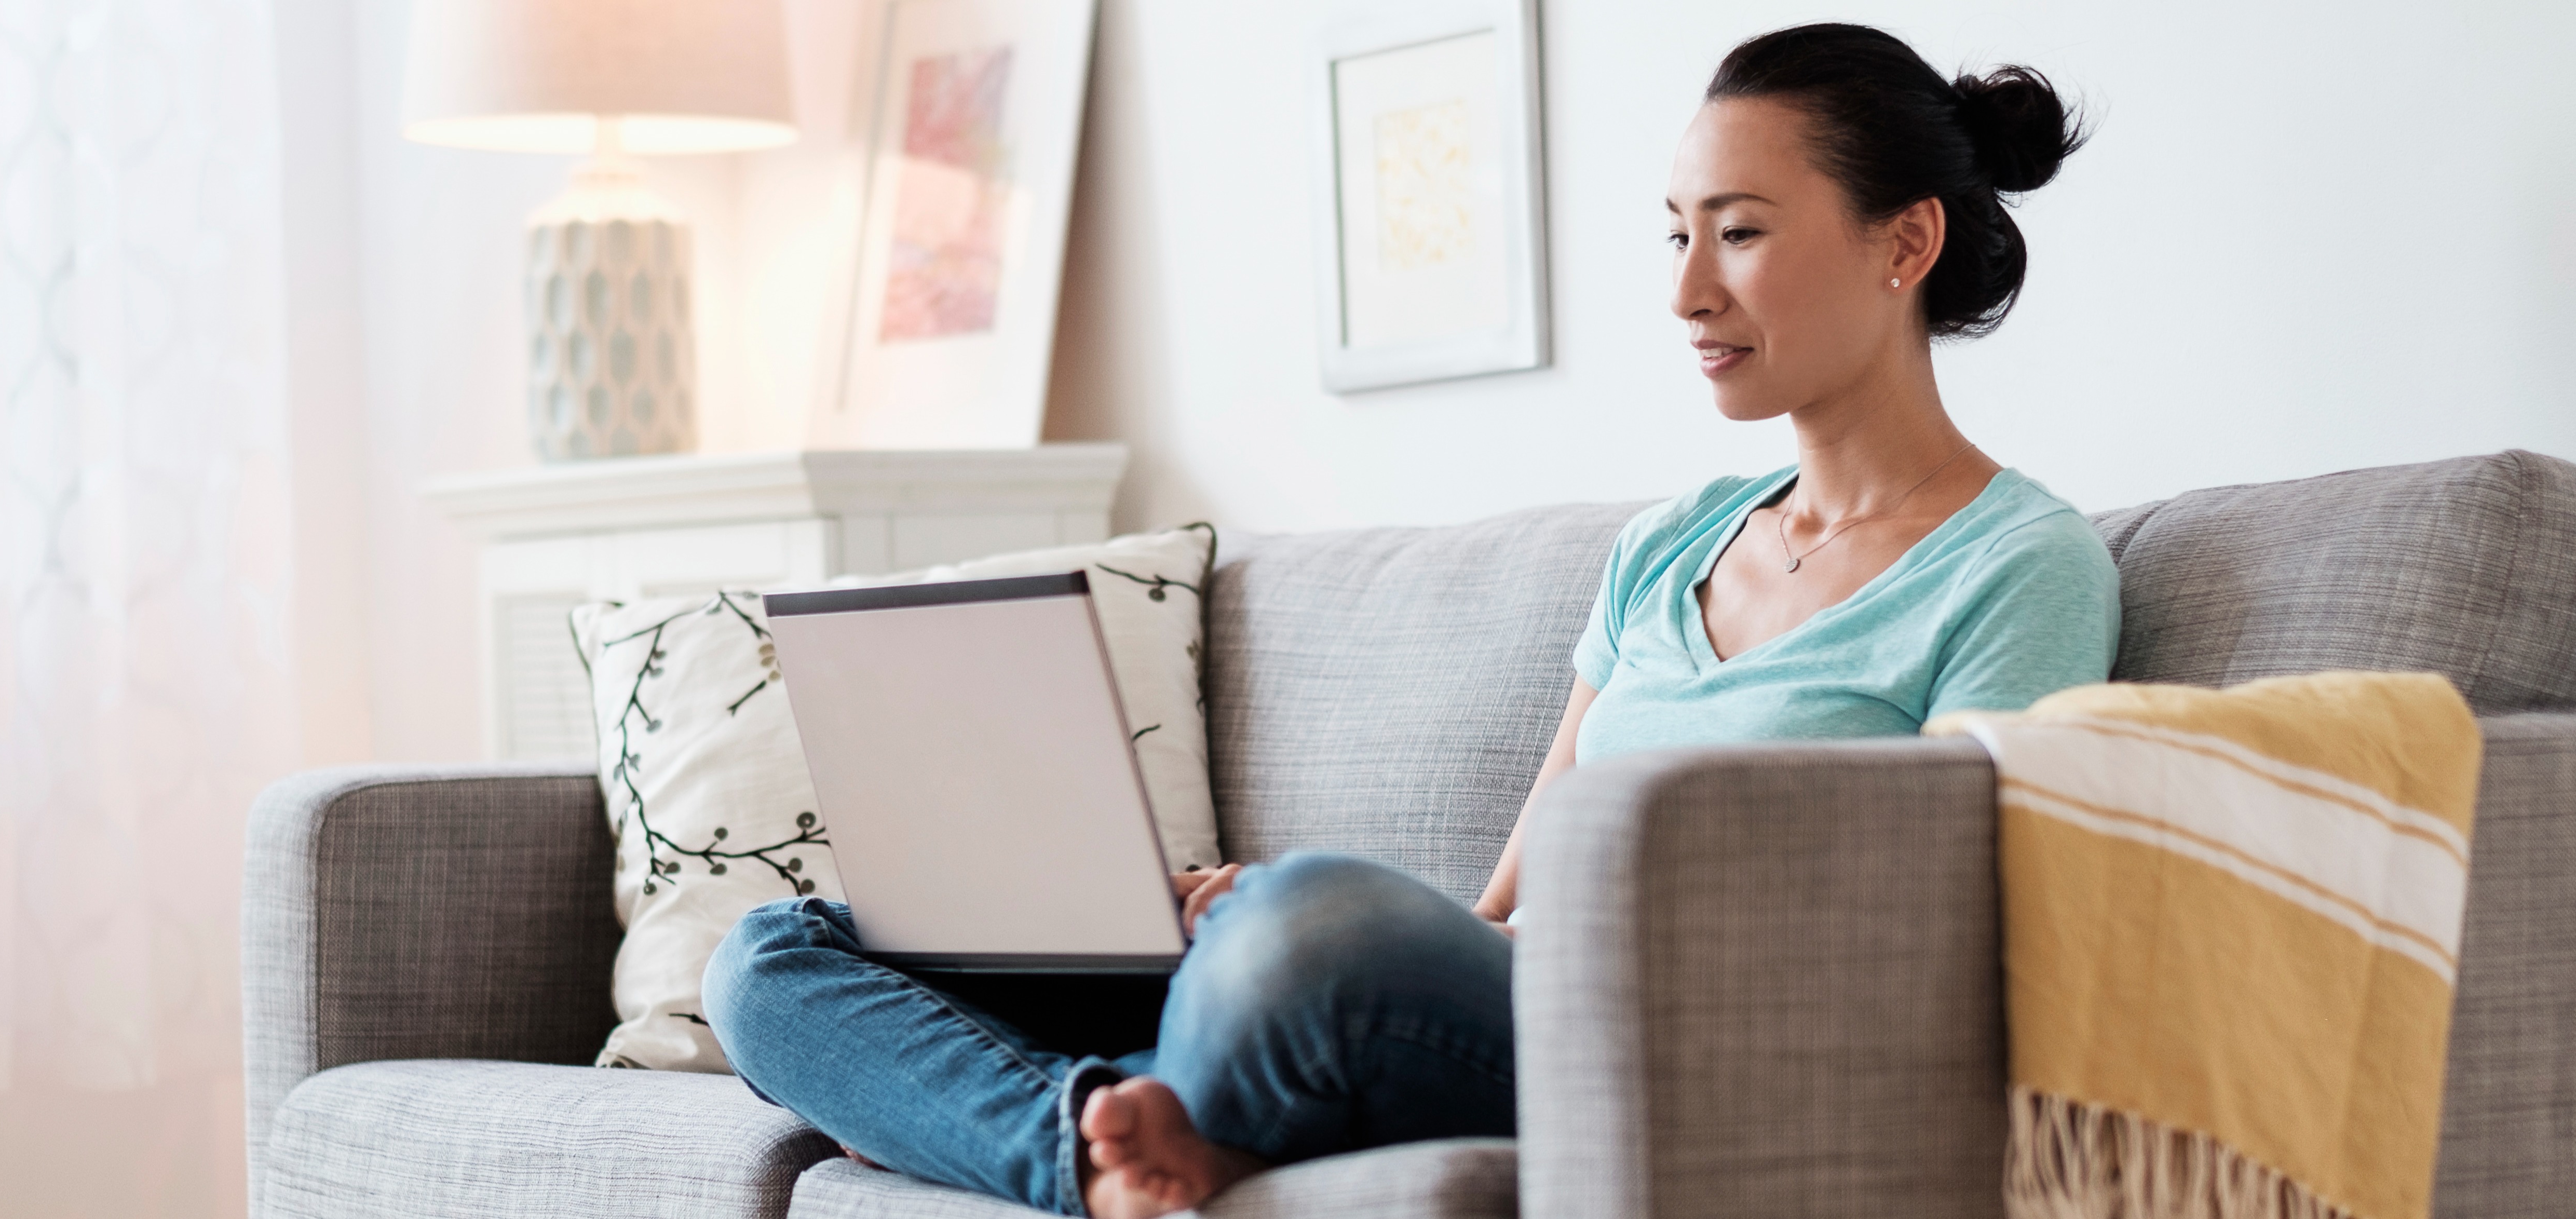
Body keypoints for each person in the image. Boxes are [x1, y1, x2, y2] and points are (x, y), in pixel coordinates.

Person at [702, 22, 2120, 1218]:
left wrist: (1306, 919)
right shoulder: (1667, 544)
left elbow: (1948, 956)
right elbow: (1500, 908)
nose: (1685, 290)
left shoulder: (2018, 566)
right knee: (772, 958)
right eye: (1677, 234)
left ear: (1906, 243)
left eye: (1738, 234)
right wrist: (1244, 912)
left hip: (1665, 1038)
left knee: (1306, 921)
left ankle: (1155, 1103)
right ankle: (1098, 1141)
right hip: (1472, 996)